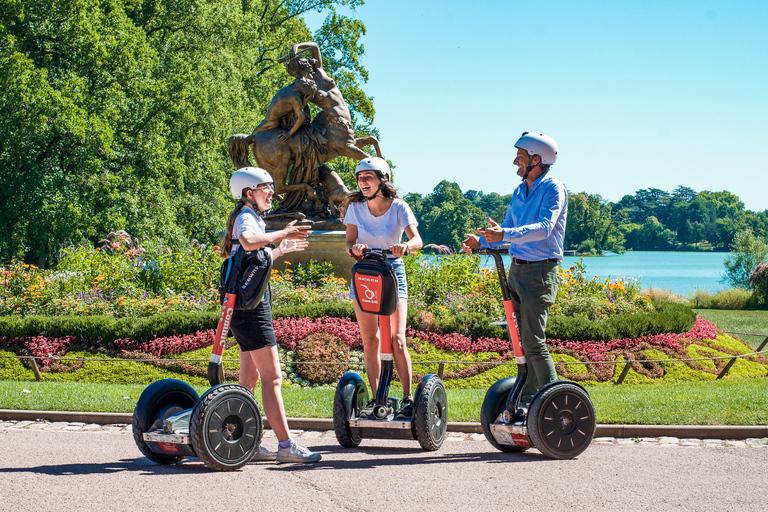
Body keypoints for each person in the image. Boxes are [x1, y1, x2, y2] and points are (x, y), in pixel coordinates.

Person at [221, 166, 321, 463]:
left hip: (245, 307)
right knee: (273, 378)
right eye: (267, 187)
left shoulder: (250, 217)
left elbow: (253, 257)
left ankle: (239, 440)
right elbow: (251, 242)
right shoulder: (246, 217)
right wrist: (283, 232)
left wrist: (281, 249)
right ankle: (286, 445)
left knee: (249, 378)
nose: (272, 193)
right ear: (249, 193)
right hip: (252, 311)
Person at [462, 132, 567, 406]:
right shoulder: (520, 191)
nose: (514, 162)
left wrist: (504, 233)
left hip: (541, 272)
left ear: (536, 159)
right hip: (517, 272)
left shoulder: (553, 188)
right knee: (521, 342)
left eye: (519, 157)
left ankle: (553, 401)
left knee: (533, 341)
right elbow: (505, 232)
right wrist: (481, 241)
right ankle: (531, 397)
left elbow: (544, 229)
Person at [344, 157, 423, 419]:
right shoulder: (356, 207)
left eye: (368, 177)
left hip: (392, 271)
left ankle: (408, 399)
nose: (362, 182)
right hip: (365, 271)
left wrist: (405, 247)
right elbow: (349, 243)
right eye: (359, 178)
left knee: (397, 339)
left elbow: (417, 240)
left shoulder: (399, 207)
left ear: (382, 179)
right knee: (370, 339)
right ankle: (378, 399)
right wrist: (354, 250)